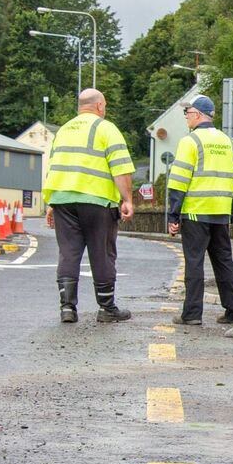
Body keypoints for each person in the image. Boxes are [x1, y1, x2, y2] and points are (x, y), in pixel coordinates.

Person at [41, 88, 135, 324]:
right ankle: (106, 309)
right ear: (100, 106)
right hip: (96, 201)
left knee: (68, 253)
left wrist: (52, 202)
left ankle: (67, 309)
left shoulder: (63, 130)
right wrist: (127, 200)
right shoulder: (106, 128)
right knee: (102, 253)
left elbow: (54, 167)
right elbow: (121, 168)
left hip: (63, 200)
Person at [166, 95, 233, 326]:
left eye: (187, 113)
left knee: (194, 262)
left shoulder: (190, 142)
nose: (186, 118)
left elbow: (179, 181)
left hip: (195, 213)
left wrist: (173, 214)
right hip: (220, 214)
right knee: (224, 262)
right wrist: (232, 212)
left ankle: (192, 314)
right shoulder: (228, 142)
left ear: (198, 114)